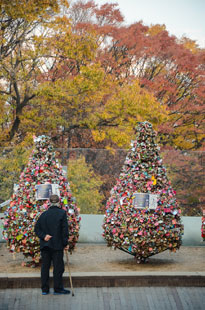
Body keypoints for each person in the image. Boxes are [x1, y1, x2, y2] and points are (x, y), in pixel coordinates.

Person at [34, 194, 70, 295]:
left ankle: (44, 289)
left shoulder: (43, 214)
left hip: (45, 245)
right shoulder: (62, 213)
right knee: (58, 268)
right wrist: (65, 243)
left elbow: (36, 229)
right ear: (59, 202)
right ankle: (58, 289)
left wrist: (44, 236)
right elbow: (64, 231)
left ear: (49, 202)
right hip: (57, 246)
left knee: (45, 267)